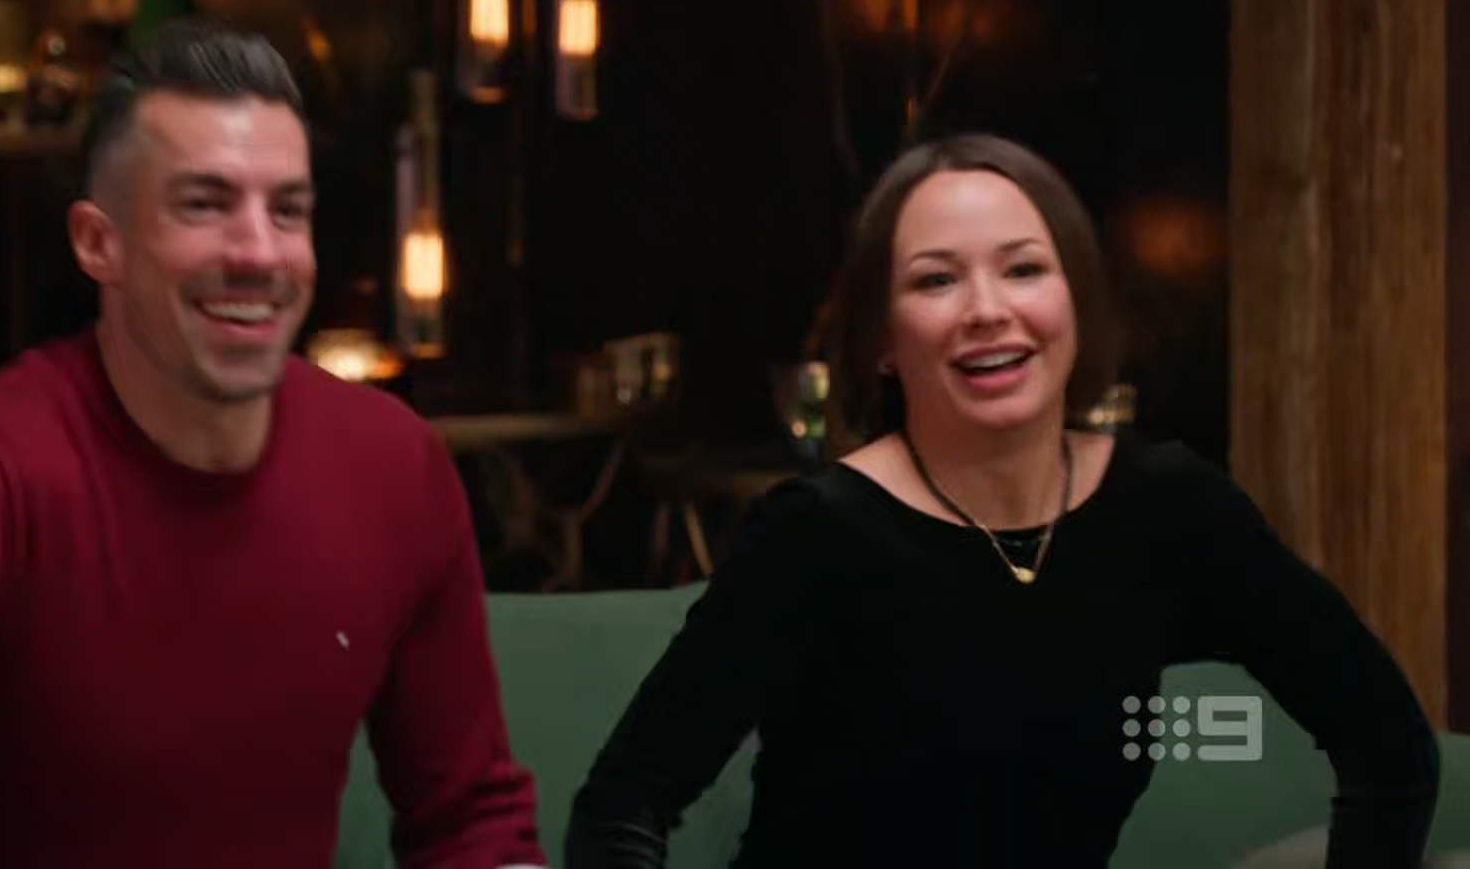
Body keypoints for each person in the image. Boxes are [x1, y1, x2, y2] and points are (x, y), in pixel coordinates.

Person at [0, 18, 547, 869]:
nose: (259, 254)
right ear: (98, 243)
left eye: (287, 211)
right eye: (204, 205)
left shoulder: (394, 469)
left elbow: (470, 821)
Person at [565, 134, 1440, 867]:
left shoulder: (1170, 511)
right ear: (881, 340)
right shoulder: (818, 534)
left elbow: (1389, 748)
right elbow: (622, 805)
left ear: (1077, 303)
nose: (987, 309)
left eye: (1023, 269)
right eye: (935, 281)